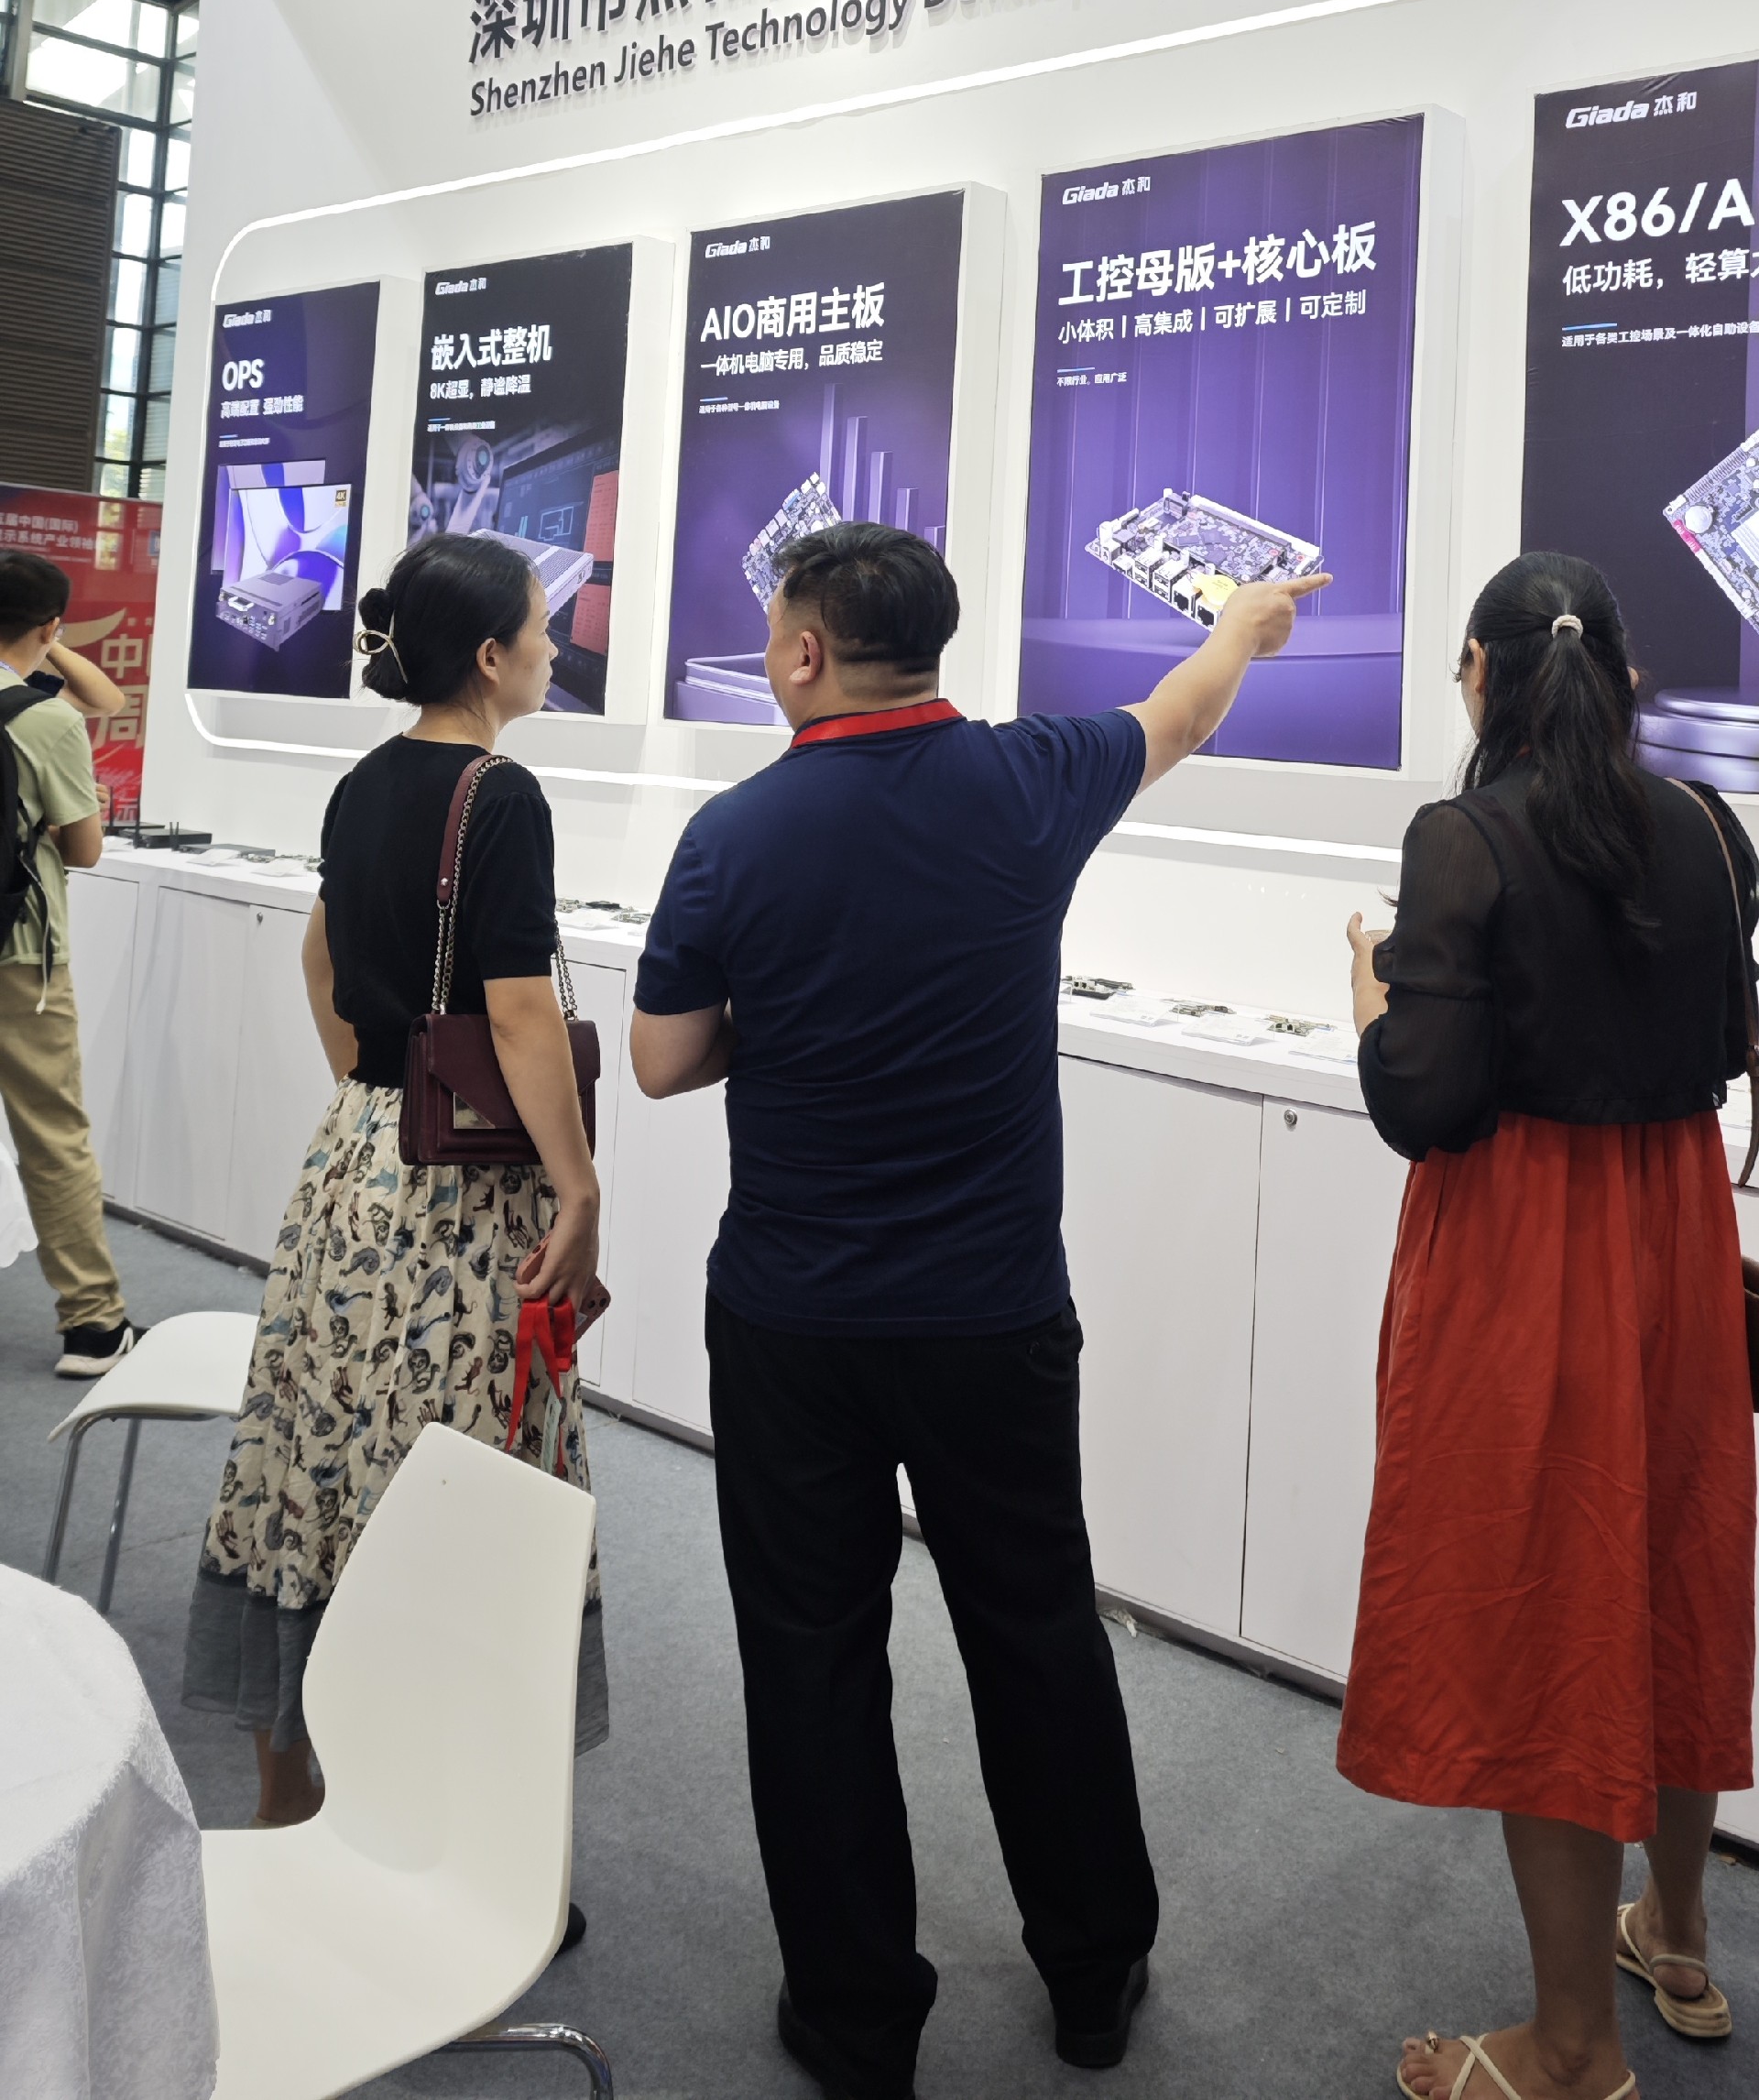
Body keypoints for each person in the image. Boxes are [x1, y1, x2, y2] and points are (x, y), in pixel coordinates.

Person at [631, 520, 1327, 2099]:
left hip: (793, 1321)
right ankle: (1092, 1975)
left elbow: (665, 1058)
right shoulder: (1033, 777)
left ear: (806, 651)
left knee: (812, 1658)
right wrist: (1247, 620)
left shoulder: (735, 834)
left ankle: (856, 2020)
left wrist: (779, 1018)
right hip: (991, 1315)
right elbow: (1185, 709)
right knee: (1034, 1628)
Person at [1338, 551, 1757, 2100]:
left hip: (1527, 1254)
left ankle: (1574, 2047)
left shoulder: (1464, 836)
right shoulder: (1708, 826)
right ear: (1626, 677)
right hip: (1677, 1238)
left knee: (1547, 1613)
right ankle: (1680, 1934)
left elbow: (1427, 1101)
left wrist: (1372, 997)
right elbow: (1729, 1037)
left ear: (1479, 674)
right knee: (1669, 1568)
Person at [182, 532, 607, 1832]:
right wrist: (580, 1189)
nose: (553, 647)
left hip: (355, 1161)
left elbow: (319, 955)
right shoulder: (501, 793)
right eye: (540, 627)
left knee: (323, 1445)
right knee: (460, 1468)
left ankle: (292, 1780)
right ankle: (433, 1811)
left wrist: (374, 1077)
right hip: (458, 1199)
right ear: (488, 655)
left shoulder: (363, 780)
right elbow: (521, 1013)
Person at [0, 547, 134, 1377]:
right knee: (53, 1136)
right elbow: (83, 849)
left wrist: (41, 643)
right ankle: (92, 1325)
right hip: (22, 956)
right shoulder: (46, 722)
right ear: (52, 625)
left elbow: (104, 696)